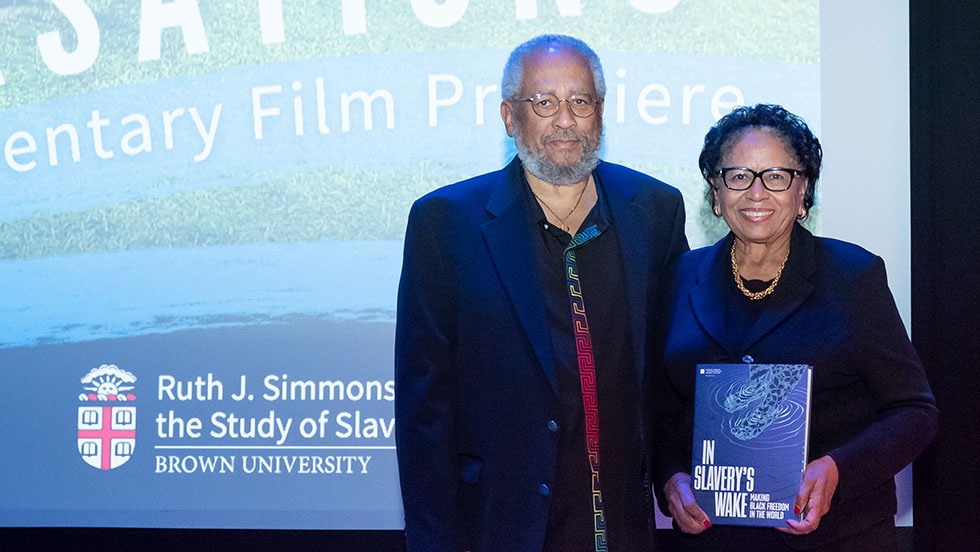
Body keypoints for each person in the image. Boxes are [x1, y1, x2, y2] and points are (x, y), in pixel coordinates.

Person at [395, 34, 689, 552]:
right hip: (501, 524)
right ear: (510, 118)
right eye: (544, 102)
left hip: (619, 525)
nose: (565, 120)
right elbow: (425, 409)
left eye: (580, 102)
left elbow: (670, 368)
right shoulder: (445, 223)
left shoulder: (655, 211)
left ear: (600, 112)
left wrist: (675, 471)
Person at [650, 103, 938, 551]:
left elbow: (914, 411)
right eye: (738, 175)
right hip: (711, 539)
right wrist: (670, 480)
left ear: (803, 190)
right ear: (715, 190)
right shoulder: (678, 278)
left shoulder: (853, 276)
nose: (756, 192)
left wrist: (839, 468)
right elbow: (660, 412)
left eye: (777, 176)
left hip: (838, 535)